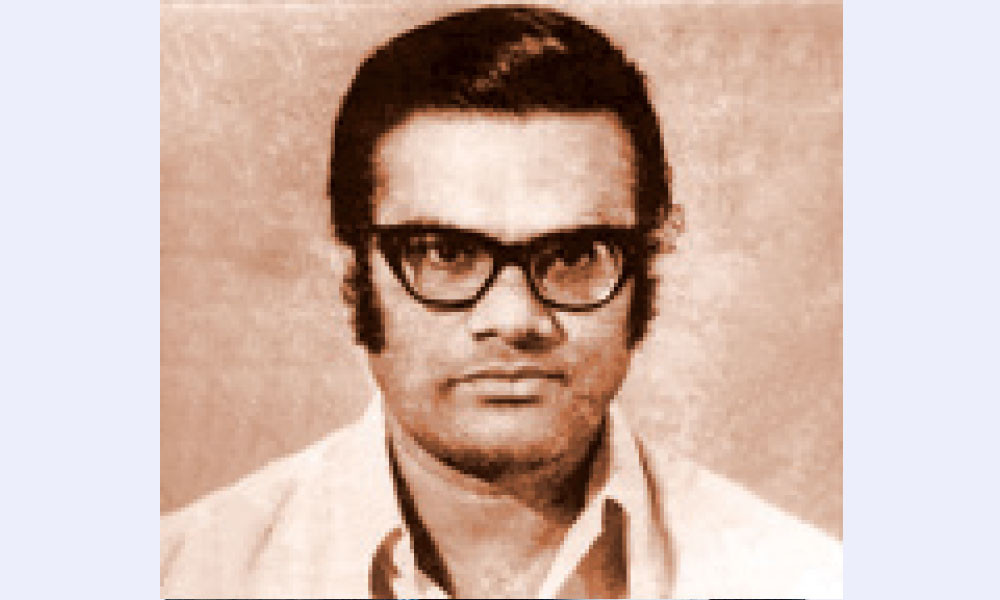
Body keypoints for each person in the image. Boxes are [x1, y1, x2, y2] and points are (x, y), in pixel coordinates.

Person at [160, 6, 842, 598]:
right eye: (445, 254)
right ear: (353, 274)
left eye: (573, 256)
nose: (515, 320)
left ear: (648, 271)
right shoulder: (179, 577)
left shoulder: (806, 581)